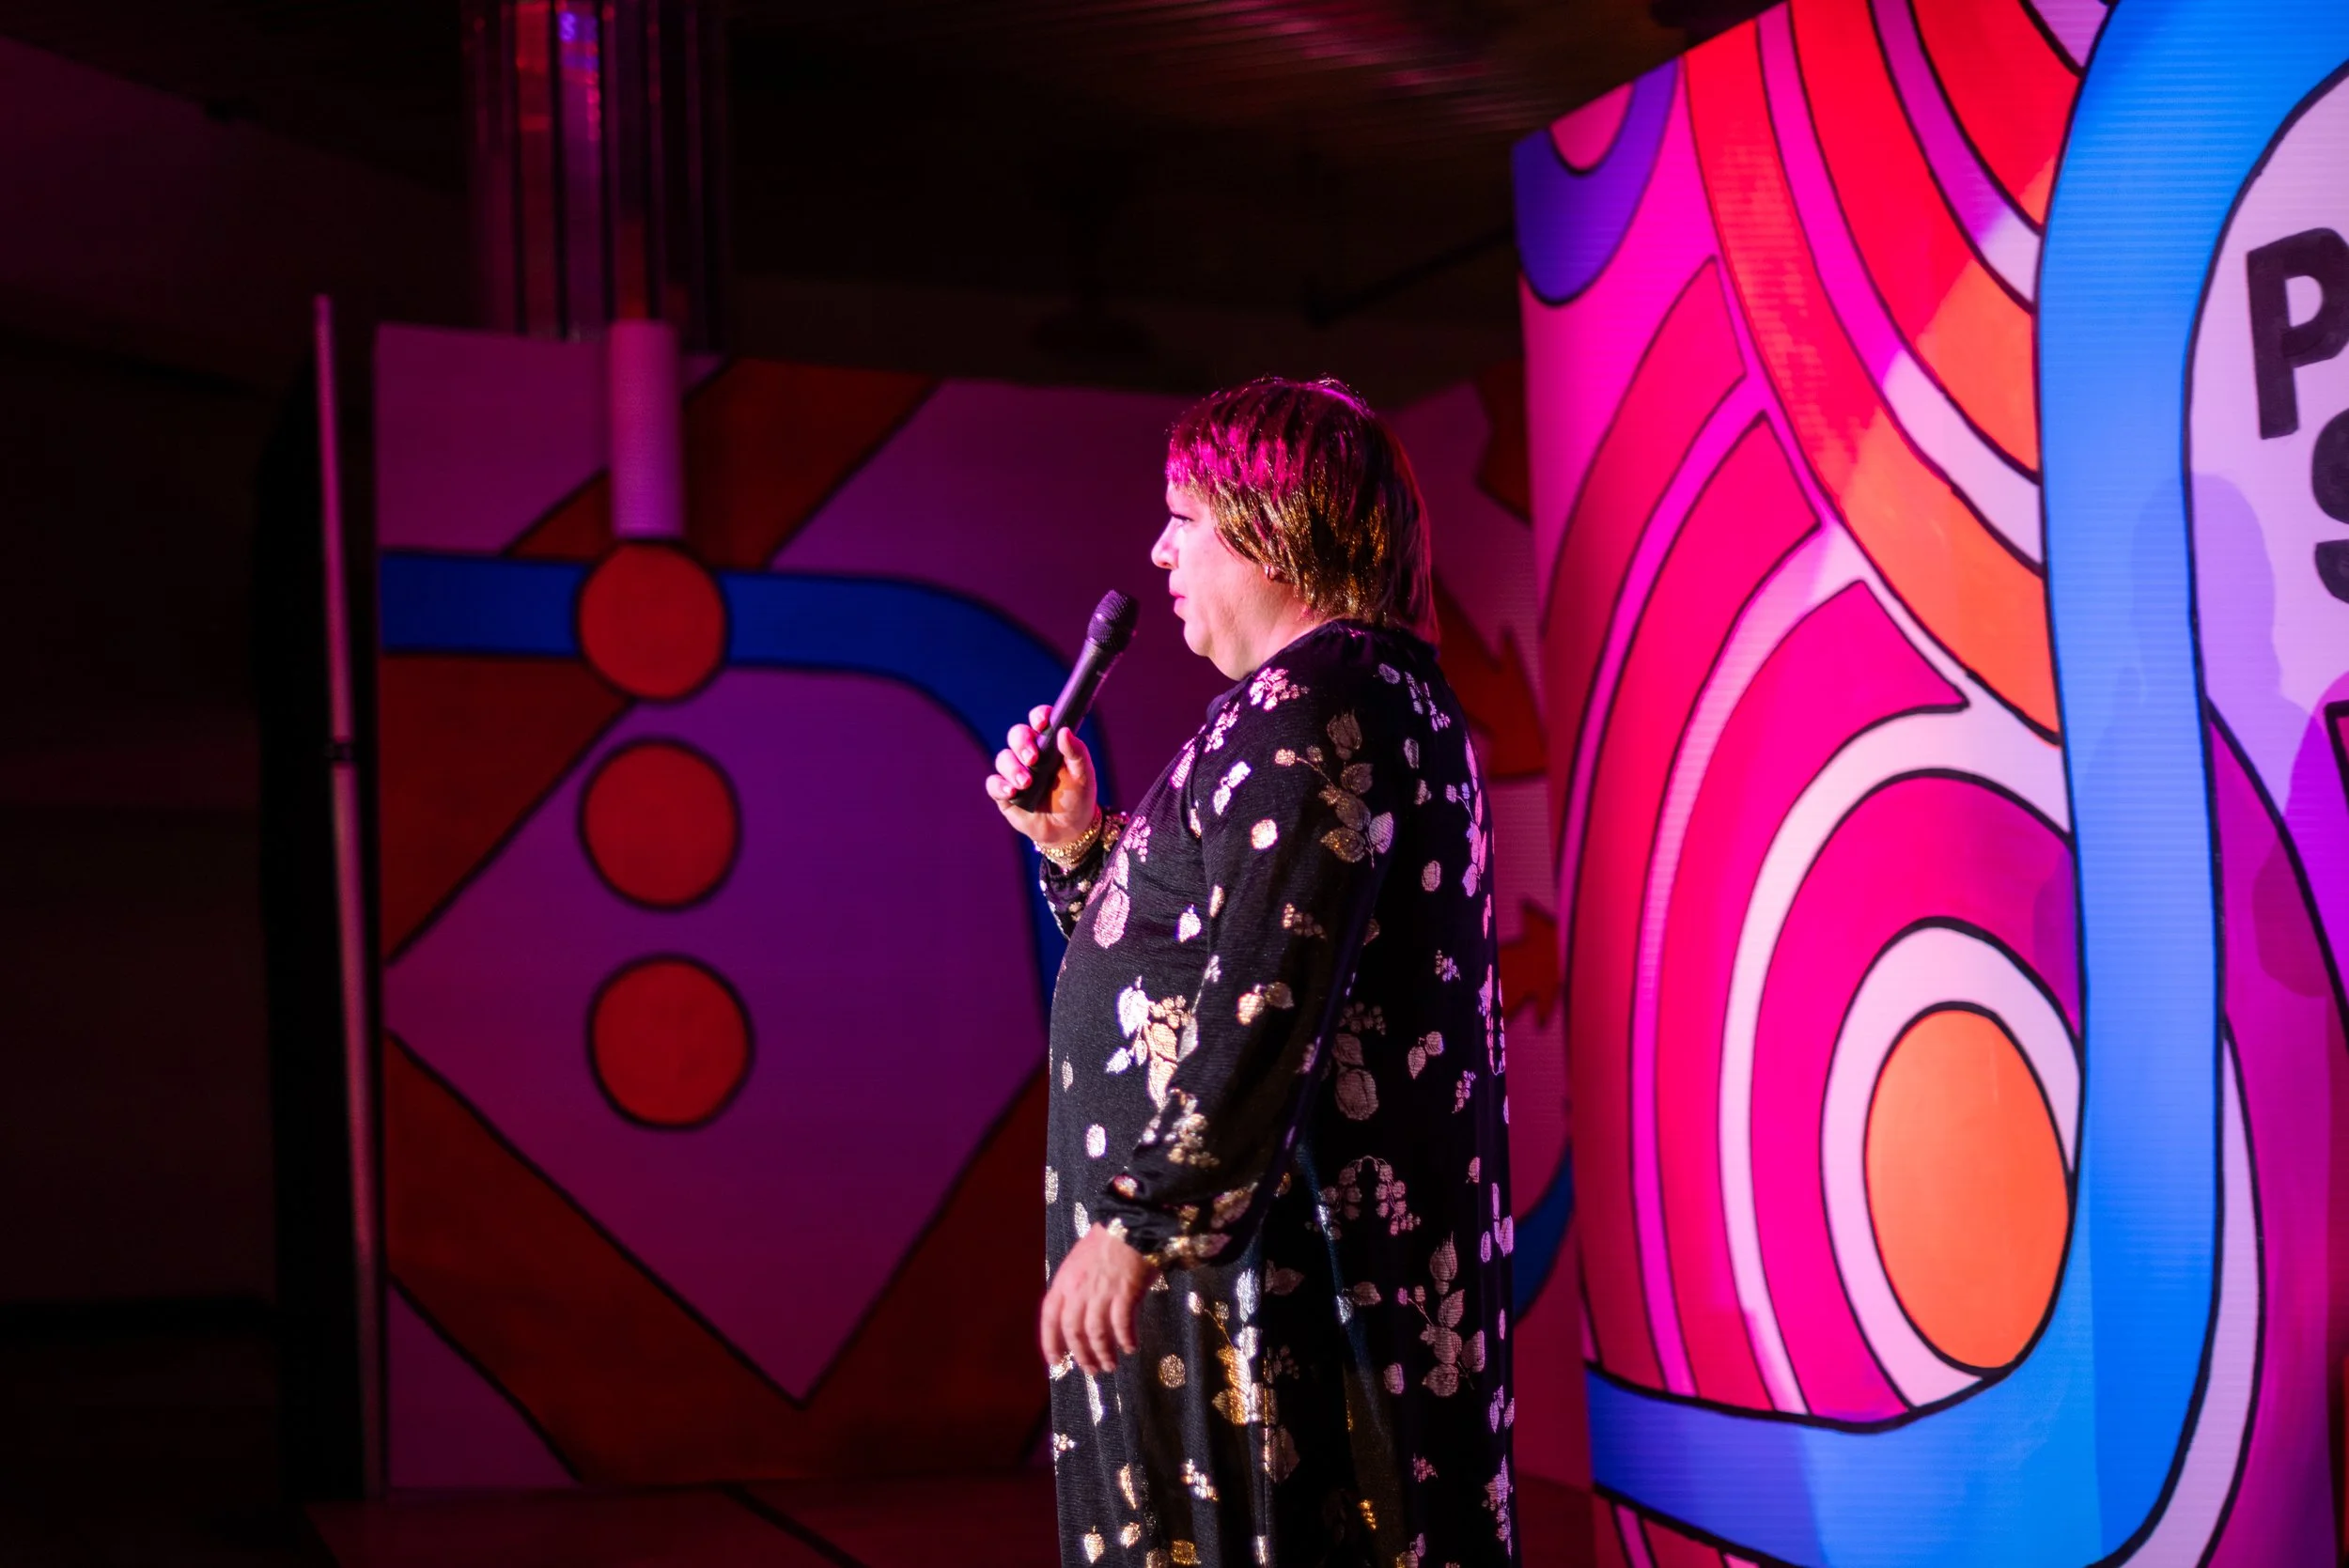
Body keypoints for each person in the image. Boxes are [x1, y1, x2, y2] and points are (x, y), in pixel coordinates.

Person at [985, 378, 1517, 1568]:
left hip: (1268, 1301)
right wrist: (1078, 849)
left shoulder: (1320, 704)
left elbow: (1270, 989)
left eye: (1185, 517)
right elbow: (1198, 964)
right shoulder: (1340, 700)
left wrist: (1142, 1217)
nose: (1158, 548)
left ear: (1275, 529)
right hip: (1257, 1277)